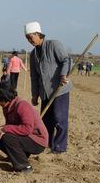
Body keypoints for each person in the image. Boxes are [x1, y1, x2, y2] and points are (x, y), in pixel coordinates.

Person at [25, 21, 73, 154]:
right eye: (27, 38)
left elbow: (67, 60)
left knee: (59, 118)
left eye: (31, 37)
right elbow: (34, 77)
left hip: (59, 89)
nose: (29, 40)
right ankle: (47, 143)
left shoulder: (54, 45)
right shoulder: (33, 54)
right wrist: (35, 94)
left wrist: (63, 74)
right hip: (44, 92)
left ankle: (59, 147)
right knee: (46, 120)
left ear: (38, 34)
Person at [0, 81, 48, 173]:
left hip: (37, 141)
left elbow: (27, 129)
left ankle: (24, 166)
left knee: (7, 137)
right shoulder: (7, 106)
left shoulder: (22, 105)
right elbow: (11, 124)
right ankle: (18, 156)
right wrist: (2, 129)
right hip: (27, 137)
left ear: (6, 97)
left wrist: (5, 129)